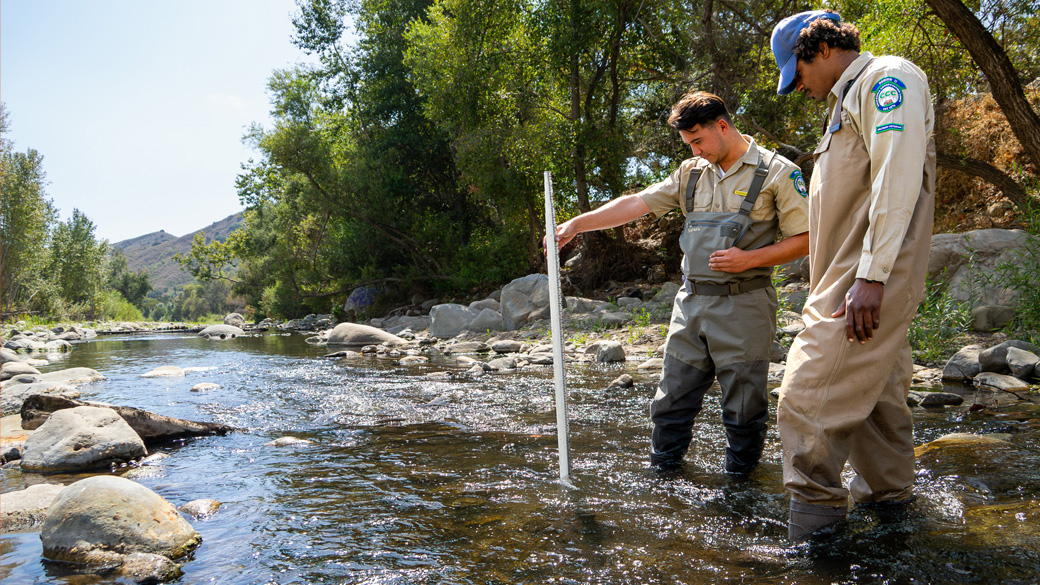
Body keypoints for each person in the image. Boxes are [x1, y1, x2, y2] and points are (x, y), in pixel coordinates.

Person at [550, 92, 810, 475]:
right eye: (689, 144)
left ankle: (740, 489)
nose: (695, 150)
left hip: (745, 306)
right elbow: (635, 203)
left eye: (698, 141)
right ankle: (664, 480)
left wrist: (749, 259)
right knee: (670, 401)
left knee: (743, 409)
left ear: (722, 126)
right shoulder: (690, 174)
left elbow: (807, 237)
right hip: (690, 307)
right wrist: (576, 224)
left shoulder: (778, 172)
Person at [769, 11, 935, 540]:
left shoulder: (887, 79)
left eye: (795, 75)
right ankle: (894, 523)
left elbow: (897, 176)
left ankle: (814, 547)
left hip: (864, 280)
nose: (799, 89)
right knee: (877, 406)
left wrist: (873, 275)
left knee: (806, 401)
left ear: (814, 49)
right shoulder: (845, 101)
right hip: (848, 278)